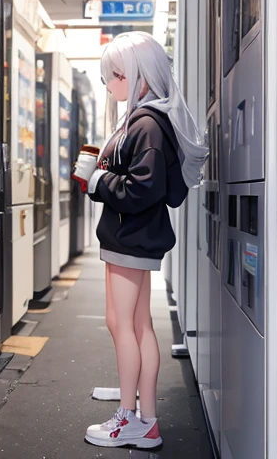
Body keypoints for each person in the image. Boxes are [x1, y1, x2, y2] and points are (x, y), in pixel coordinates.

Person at [72, 31, 207, 450]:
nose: (109, 85)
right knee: (137, 324)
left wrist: (96, 179)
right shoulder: (149, 118)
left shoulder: (146, 122)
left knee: (123, 325)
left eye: (114, 75)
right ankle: (141, 414)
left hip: (130, 237)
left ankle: (131, 418)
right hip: (134, 237)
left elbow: (141, 189)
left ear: (137, 74)